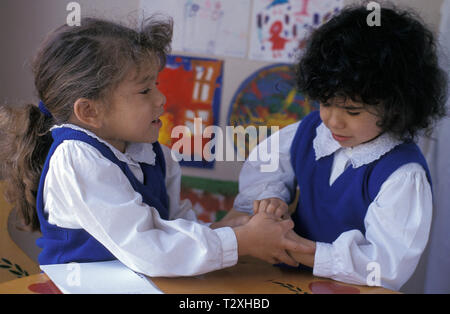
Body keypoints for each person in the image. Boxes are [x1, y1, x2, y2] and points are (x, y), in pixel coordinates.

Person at [0, 17, 311, 277]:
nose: (161, 99)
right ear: (90, 112)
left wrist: (223, 229)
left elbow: (173, 228)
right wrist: (240, 242)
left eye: (157, 85)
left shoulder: (151, 153)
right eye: (145, 90)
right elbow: (148, 250)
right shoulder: (76, 158)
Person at [231, 2, 448, 290]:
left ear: (397, 108)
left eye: (353, 111)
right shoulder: (312, 131)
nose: (333, 121)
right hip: (287, 280)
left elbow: (385, 267)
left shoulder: (403, 175)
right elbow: (267, 160)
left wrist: (302, 250)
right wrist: (272, 198)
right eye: (325, 103)